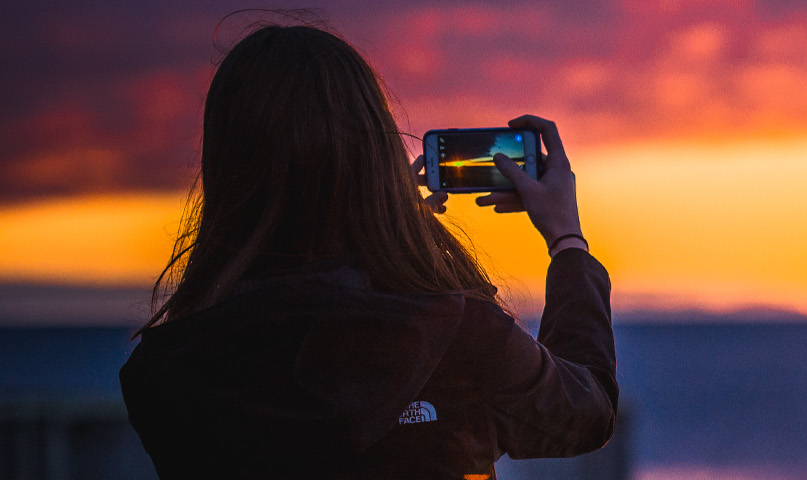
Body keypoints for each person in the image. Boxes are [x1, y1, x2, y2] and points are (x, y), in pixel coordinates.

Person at [118, 24, 616, 479]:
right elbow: (586, 411)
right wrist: (566, 241)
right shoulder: (457, 337)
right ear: (375, 157)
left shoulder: (163, 376)